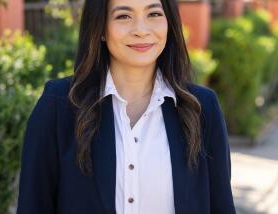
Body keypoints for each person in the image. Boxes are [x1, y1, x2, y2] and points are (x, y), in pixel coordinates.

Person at [17, 0, 236, 213]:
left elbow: (221, 205)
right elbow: (33, 204)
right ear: (100, 28)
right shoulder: (59, 104)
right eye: (123, 16)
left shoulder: (202, 107)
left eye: (154, 14)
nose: (141, 30)